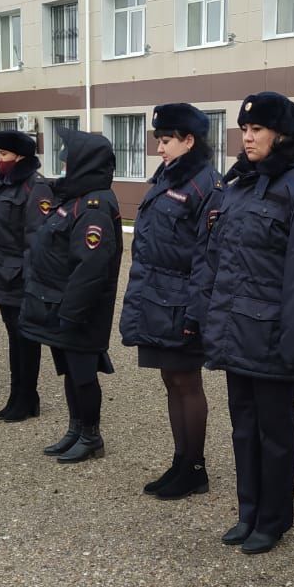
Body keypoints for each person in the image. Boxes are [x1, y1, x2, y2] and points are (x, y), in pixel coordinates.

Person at [200, 93, 294, 548]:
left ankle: (274, 518)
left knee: (275, 430)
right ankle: (248, 510)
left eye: (257, 130)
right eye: (244, 129)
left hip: (273, 331)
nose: (247, 137)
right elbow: (218, 260)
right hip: (237, 329)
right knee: (242, 425)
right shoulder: (239, 184)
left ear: (283, 135)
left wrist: (293, 340)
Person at [119, 104, 223, 497]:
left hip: (182, 301)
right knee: (170, 380)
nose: (159, 148)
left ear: (188, 140)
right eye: (158, 140)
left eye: (166, 140)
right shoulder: (168, 178)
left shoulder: (205, 186)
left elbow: (206, 257)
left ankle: (195, 468)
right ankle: (180, 461)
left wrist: (196, 314)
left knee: (186, 381)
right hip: (158, 297)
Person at [19, 127, 123, 464]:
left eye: (69, 155)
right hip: (60, 305)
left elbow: (91, 267)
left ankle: (91, 435)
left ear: (85, 161)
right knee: (70, 372)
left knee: (83, 374)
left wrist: (71, 312)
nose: (63, 160)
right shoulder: (73, 198)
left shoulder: (93, 206)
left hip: (79, 311)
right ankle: (75, 428)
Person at [0, 128, 54, 422]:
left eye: (4, 154)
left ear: (21, 156)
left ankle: (27, 396)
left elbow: (37, 239)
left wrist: (31, 280)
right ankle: (17, 394)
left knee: (26, 339)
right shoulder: (1, 184)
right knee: (13, 337)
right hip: (2, 275)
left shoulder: (35, 187)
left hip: (21, 277)